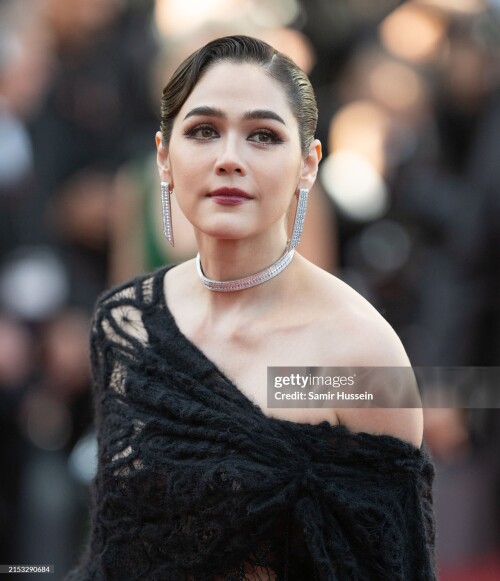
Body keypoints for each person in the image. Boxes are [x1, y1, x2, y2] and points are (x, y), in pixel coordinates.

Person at [66, 35, 435, 580]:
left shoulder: (362, 353)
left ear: (308, 165)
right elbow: (114, 546)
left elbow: (396, 563)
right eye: (203, 132)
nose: (229, 159)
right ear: (164, 158)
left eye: (263, 136)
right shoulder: (125, 325)